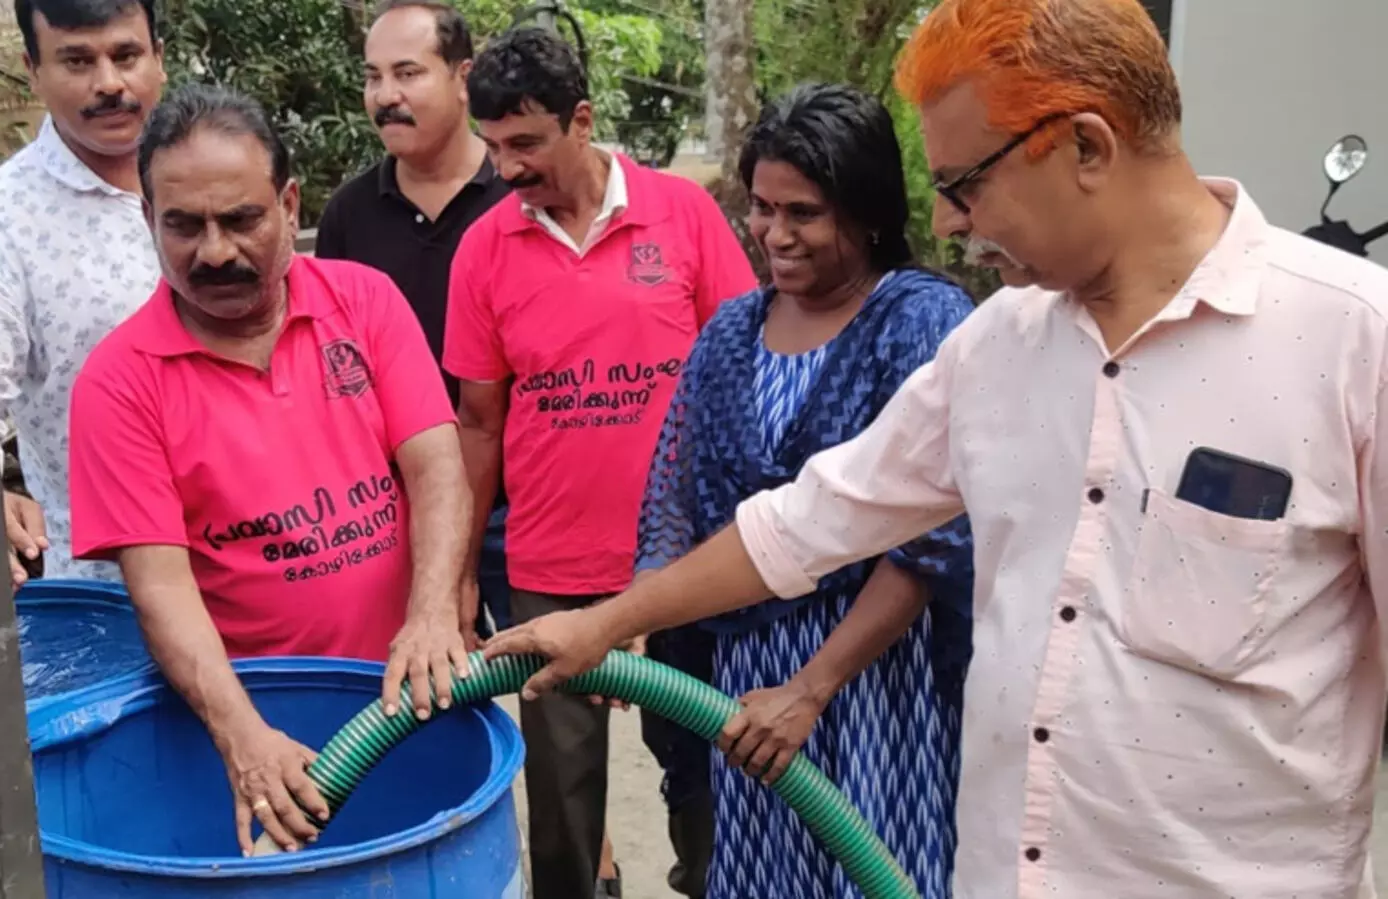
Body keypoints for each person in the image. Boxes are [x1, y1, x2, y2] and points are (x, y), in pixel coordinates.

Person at [483, 0, 1388, 896]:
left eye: (967, 184)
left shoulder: (1354, 343)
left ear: (1087, 147)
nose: (950, 222)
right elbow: (806, 523)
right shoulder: (999, 346)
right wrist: (601, 622)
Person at [67, 83, 472, 859]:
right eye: (183, 225)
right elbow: (160, 586)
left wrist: (431, 616)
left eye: (241, 219)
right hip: (253, 723)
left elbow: (436, 465)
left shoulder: (365, 301)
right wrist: (243, 737)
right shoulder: (119, 382)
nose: (214, 251)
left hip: (406, 695)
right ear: (148, 219)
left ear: (290, 205)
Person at [634, 82, 975, 899]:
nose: (774, 235)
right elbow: (674, 494)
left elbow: (932, 540)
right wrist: (637, 616)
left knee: (873, 866)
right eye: (761, 207)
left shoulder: (920, 324)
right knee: (763, 869)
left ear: (867, 214)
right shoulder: (730, 332)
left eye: (804, 213)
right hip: (745, 684)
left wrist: (812, 687)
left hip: (874, 682)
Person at [444, 26, 757, 899]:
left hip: (684, 565)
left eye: (527, 143)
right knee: (563, 806)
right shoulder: (485, 248)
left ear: (581, 121)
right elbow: (477, 423)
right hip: (549, 571)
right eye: (495, 146)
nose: (506, 167)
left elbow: (737, 381)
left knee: (705, 769)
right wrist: (460, 573)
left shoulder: (682, 215)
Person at [313, 0, 514, 647]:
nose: (385, 96)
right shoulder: (348, 216)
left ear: (463, 76)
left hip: (520, 508)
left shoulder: (517, 197)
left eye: (407, 73)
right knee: (420, 696)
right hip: (400, 511)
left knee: (560, 709)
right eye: (373, 77)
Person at [0, 0, 166, 587]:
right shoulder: (0, 222)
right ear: (33, 70)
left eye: (126, 55)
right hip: (114, 590)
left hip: (271, 567)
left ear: (159, 56)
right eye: (77, 61)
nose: (109, 84)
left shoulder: (213, 170)